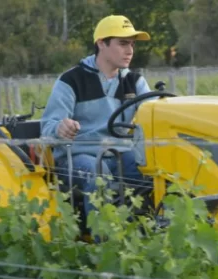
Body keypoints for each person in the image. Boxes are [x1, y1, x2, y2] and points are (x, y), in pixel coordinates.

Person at [40, 14, 152, 217]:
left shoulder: (135, 81)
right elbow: (47, 127)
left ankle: (146, 233)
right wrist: (60, 128)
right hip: (78, 157)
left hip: (120, 153)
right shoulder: (71, 80)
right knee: (98, 176)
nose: (130, 51)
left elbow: (154, 115)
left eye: (132, 44)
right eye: (123, 43)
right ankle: (104, 244)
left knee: (153, 172)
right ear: (101, 43)